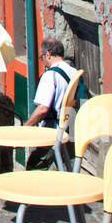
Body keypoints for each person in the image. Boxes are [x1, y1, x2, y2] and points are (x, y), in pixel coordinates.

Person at [24, 37, 79, 170]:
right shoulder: (74, 72)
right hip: (70, 128)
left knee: (34, 167)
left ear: (47, 54)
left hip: (53, 130)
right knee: (66, 167)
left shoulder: (50, 76)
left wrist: (26, 126)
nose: (42, 61)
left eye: (41, 57)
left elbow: (43, 108)